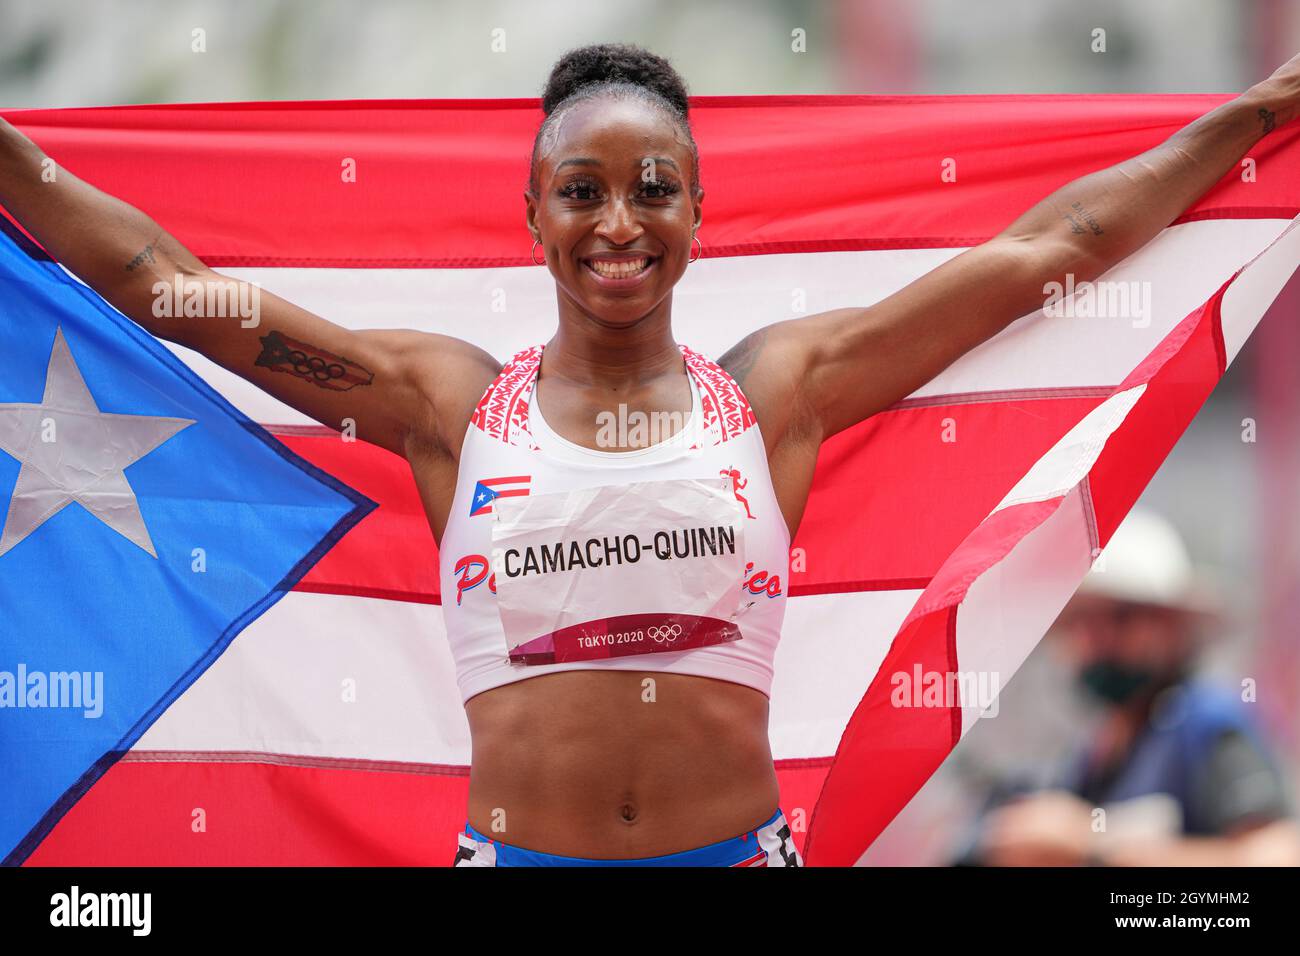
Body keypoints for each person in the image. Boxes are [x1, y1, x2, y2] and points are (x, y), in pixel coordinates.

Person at [2, 43, 1299, 867]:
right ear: (534, 213)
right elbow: (170, 287)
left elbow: (1044, 256)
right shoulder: (441, 401)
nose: (618, 222)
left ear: (693, 208)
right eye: (582, 189)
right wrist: (15, 163)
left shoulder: (781, 392)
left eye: (652, 187)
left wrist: (1248, 119)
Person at [953, 509, 1300, 867]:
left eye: (1121, 617)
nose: (1097, 640)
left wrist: (1089, 845)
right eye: (1081, 622)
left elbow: (1276, 857)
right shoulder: (1092, 757)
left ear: (1173, 627)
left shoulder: (1207, 725)